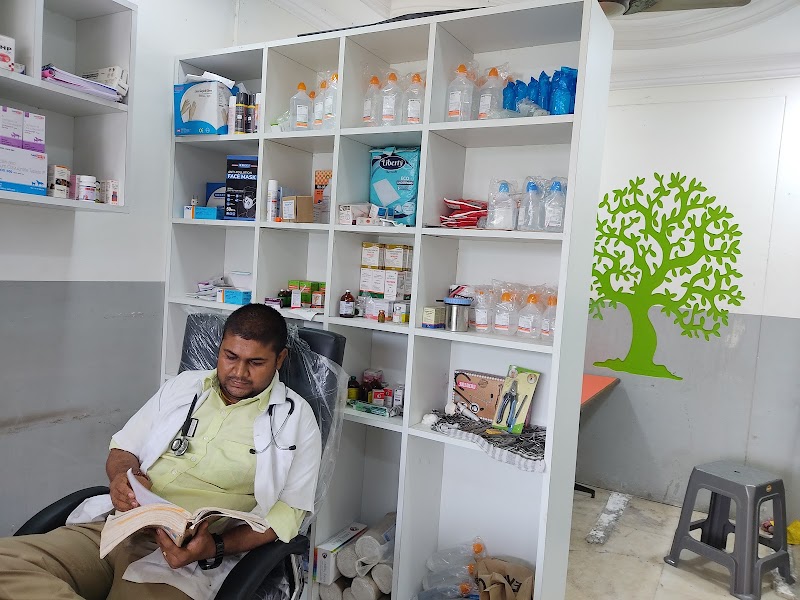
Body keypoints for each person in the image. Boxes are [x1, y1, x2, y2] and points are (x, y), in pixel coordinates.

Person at [0, 304, 322, 600]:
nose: (239, 372)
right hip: (119, 527)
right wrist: (121, 479)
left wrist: (214, 546)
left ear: (280, 359)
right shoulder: (183, 387)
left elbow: (287, 515)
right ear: (220, 348)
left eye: (255, 363)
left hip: (185, 559)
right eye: (230, 356)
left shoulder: (297, 419)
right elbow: (124, 448)